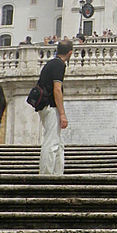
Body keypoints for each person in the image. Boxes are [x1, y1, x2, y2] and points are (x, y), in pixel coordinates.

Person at [38, 39, 73, 174]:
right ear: (70, 53)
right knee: (51, 142)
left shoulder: (51, 63)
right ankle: (46, 176)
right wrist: (62, 114)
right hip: (51, 106)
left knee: (58, 143)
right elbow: (57, 89)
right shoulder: (59, 65)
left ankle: (58, 174)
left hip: (46, 106)